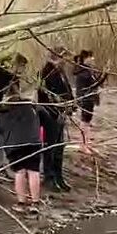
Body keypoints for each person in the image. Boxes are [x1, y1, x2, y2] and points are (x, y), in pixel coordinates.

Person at [0, 84, 52, 213]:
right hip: (33, 142)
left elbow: (0, 129)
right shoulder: (32, 106)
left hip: (14, 145)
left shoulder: (3, 111)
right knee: (34, 172)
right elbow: (47, 119)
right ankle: (35, 202)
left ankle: (21, 203)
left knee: (20, 172)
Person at [37, 47, 74, 192]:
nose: (66, 61)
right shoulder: (45, 73)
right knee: (50, 146)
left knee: (60, 146)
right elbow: (45, 97)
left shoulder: (60, 71)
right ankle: (48, 177)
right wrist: (58, 108)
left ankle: (59, 176)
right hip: (50, 115)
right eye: (64, 58)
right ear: (58, 57)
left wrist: (71, 104)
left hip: (61, 113)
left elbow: (67, 90)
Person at [0, 54, 26, 172]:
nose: (22, 70)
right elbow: (14, 95)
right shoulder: (3, 74)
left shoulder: (1, 72)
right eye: (22, 66)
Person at [73, 50, 108, 150]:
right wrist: (104, 75)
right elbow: (93, 85)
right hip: (86, 98)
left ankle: (86, 143)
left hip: (89, 98)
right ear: (85, 59)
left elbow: (96, 82)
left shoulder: (87, 71)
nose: (92, 59)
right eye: (90, 57)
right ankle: (83, 145)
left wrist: (104, 74)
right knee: (85, 122)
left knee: (87, 122)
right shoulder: (83, 72)